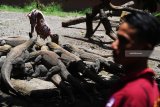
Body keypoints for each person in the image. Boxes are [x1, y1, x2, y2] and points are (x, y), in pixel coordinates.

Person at [105, 12, 160, 107]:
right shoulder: (147, 83)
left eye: (124, 41)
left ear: (145, 49)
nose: (113, 45)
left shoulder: (134, 94)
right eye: (117, 38)